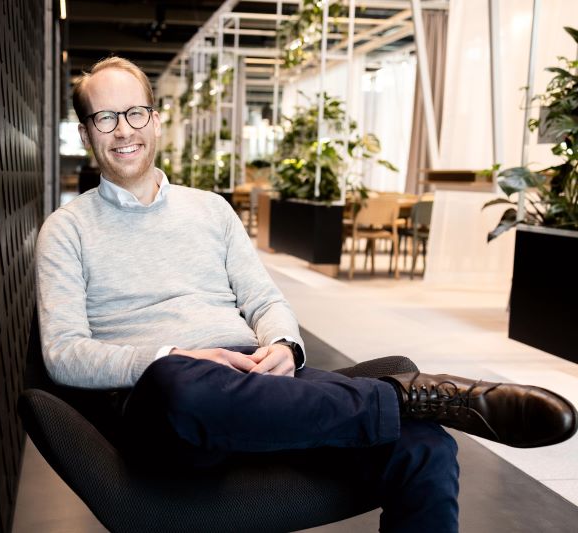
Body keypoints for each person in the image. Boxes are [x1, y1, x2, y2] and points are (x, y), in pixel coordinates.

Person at [35, 57, 576, 532]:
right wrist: (172, 356)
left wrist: (284, 346)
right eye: (105, 118)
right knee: (182, 385)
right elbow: (63, 354)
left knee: (426, 447)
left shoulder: (211, 210)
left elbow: (264, 300)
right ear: (85, 133)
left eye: (135, 113)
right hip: (166, 403)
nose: (123, 130)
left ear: (155, 120)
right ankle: (406, 397)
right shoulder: (67, 229)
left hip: (257, 381)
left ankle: (405, 404)